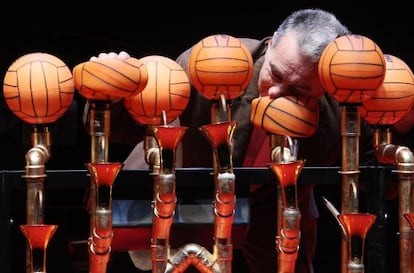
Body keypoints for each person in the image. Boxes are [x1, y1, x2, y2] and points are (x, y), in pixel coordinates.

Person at [97, 8, 377, 273]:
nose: (277, 92)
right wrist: (110, 90)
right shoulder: (209, 63)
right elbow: (125, 126)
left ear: (326, 83)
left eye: (301, 89)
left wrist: (399, 120)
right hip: (187, 193)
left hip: (273, 206)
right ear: (271, 45)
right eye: (276, 74)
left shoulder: (340, 105)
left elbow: (374, 173)